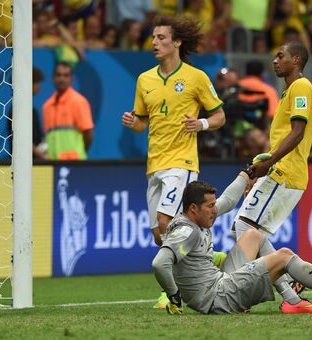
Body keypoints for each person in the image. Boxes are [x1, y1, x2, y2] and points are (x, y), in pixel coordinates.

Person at [152, 179, 312, 315]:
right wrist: (173, 296)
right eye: (210, 206)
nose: (215, 210)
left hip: (218, 286)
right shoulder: (188, 231)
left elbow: (228, 202)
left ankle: (291, 301)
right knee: (283, 256)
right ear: (193, 208)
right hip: (218, 297)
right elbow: (160, 263)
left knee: (254, 235)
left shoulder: (192, 221)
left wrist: (247, 173)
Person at [121, 15, 226, 308]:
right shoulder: (145, 80)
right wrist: (134, 122)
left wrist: (201, 124)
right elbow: (143, 122)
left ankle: (172, 293)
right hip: (154, 164)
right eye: (153, 38)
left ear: (177, 42)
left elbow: (220, 116)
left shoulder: (196, 77)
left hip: (182, 161)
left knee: (168, 224)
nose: (155, 42)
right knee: (160, 236)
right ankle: (209, 254)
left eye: (161, 38)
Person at [231, 41, 312, 314]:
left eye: (280, 55)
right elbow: (281, 139)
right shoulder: (287, 92)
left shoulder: (301, 88)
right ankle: (289, 289)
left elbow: (297, 133)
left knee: (245, 226)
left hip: (286, 172)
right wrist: (260, 165)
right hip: (278, 170)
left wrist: (270, 163)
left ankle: (248, 294)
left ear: (296, 60)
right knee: (248, 229)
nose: (274, 60)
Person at [42, 62, 94, 160]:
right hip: (52, 164)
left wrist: (78, 154)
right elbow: (48, 137)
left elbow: (88, 135)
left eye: (66, 75)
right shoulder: (47, 106)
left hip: (75, 164)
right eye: (58, 75)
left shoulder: (79, 101)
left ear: (72, 79)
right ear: (53, 78)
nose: (62, 79)